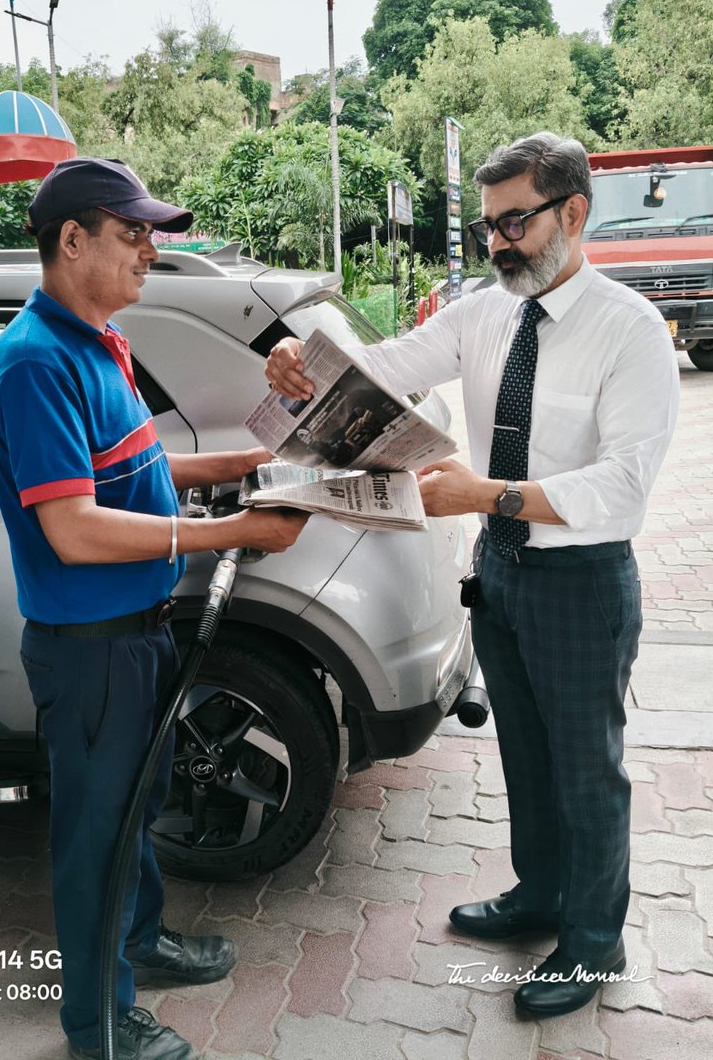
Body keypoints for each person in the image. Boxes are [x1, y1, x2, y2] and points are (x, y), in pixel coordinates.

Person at [265, 133, 679, 1019]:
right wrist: (301, 368)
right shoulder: (485, 311)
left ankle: (594, 940)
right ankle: (539, 897)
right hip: (499, 575)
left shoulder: (629, 330)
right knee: (524, 757)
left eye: (515, 222)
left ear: (573, 214)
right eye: (489, 225)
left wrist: (484, 493)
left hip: (580, 583)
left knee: (586, 770)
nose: (497, 242)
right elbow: (389, 366)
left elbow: (622, 486)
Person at [0, 158, 308, 1060]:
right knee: (97, 840)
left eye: (152, 237)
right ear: (71, 240)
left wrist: (243, 469)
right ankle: (98, 1025)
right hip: (91, 652)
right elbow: (77, 530)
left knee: (140, 806)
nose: (149, 253)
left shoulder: (100, 342)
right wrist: (232, 531)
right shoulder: (34, 362)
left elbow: (139, 475)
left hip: (138, 637)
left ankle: (140, 944)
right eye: (132, 236)